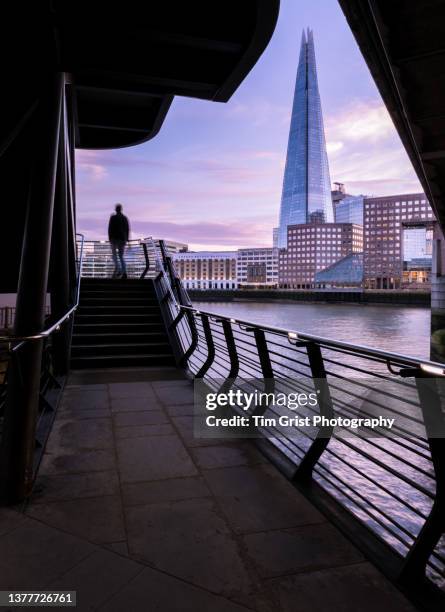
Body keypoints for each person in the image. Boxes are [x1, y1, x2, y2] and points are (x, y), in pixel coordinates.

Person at [108, 204, 130, 278]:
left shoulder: (113, 217)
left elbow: (110, 228)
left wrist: (110, 238)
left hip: (114, 239)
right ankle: (124, 272)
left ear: (116, 209)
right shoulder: (124, 218)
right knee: (121, 256)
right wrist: (127, 239)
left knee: (114, 255)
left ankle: (118, 268)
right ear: (121, 209)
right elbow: (127, 229)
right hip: (122, 239)